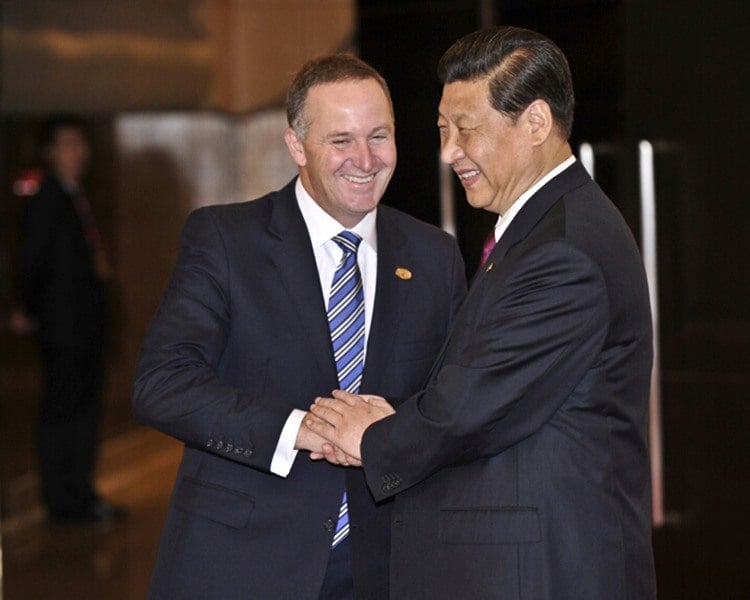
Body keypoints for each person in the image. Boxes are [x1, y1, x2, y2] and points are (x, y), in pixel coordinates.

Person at [307, 27, 657, 599]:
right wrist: (393, 411)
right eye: (443, 131)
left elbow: (474, 408)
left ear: (536, 123)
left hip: (543, 572)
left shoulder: (565, 249)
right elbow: (491, 383)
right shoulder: (543, 228)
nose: (448, 153)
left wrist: (371, 435)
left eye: (466, 130)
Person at [132, 53, 467, 599]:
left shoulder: (434, 256)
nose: (365, 159)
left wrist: (388, 429)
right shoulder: (224, 241)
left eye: (379, 136)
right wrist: (298, 429)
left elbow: (451, 404)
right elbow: (161, 384)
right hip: (242, 564)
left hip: (384, 568)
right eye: (341, 141)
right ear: (296, 147)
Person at [12, 114, 125, 524]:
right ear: (50, 152)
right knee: (63, 413)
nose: (78, 153)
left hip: (87, 324)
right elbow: (31, 261)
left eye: (81, 144)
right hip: (64, 327)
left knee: (86, 412)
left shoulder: (80, 195)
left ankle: (80, 492)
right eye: (68, 144)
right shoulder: (46, 199)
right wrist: (26, 307)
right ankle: (63, 501)